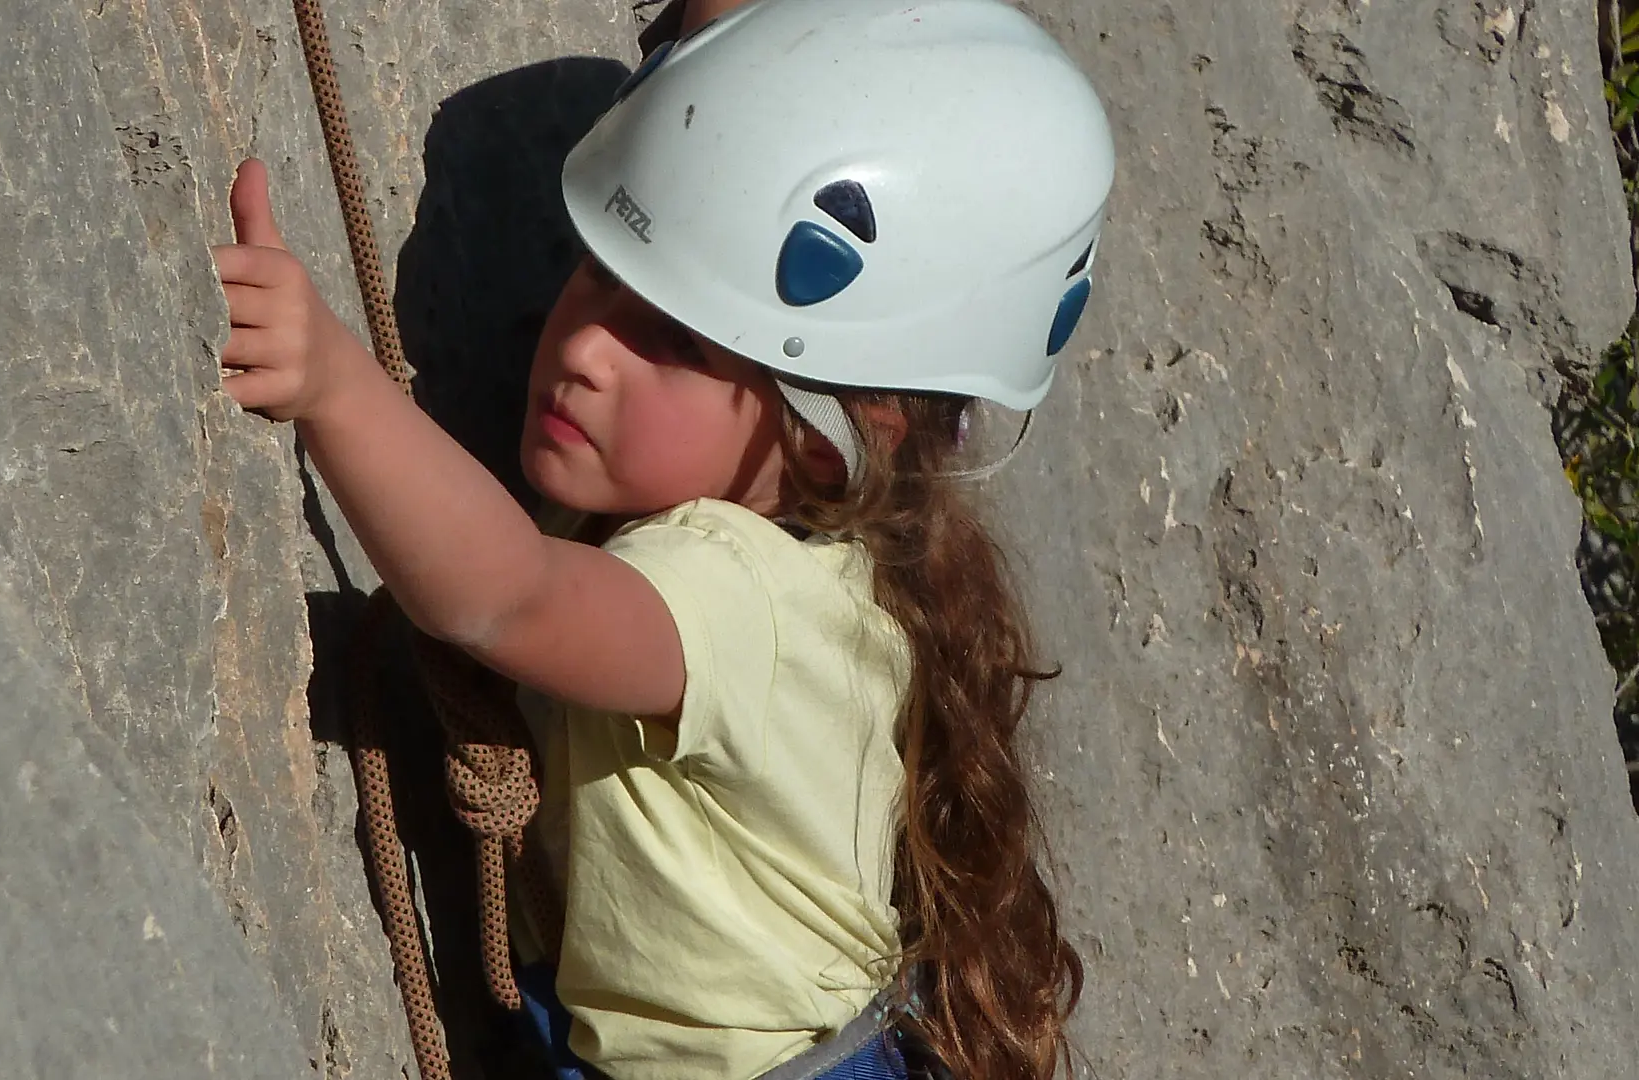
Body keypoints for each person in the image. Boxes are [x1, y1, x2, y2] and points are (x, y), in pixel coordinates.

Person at [211, 0, 1115, 1076]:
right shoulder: (779, 534)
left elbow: (509, 600)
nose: (588, 344)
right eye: (598, 271)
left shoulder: (746, 596)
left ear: (827, 443)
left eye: (674, 337)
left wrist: (334, 384)